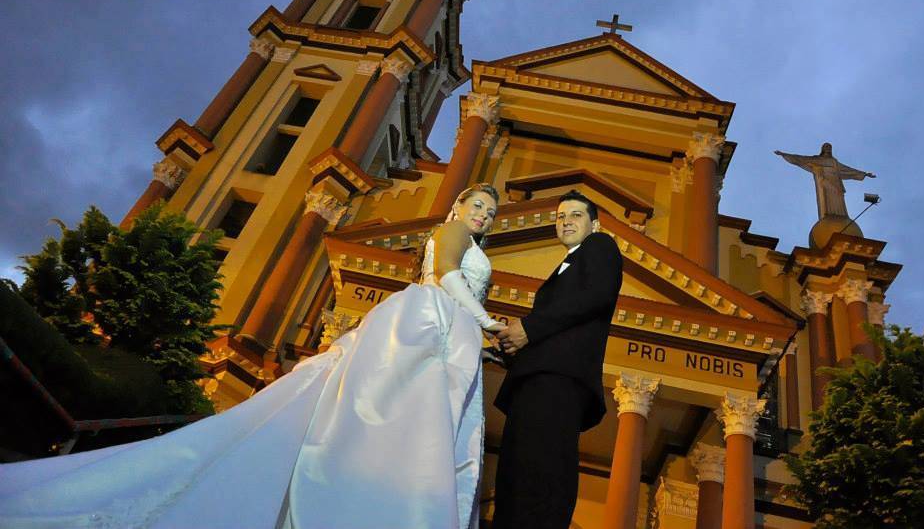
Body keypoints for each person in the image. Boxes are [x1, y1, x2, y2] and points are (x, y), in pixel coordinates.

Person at [0, 183, 506, 529]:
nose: (482, 215)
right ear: (458, 207)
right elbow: (447, 276)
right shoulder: (454, 233)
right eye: (477, 205)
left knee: (400, 421)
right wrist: (488, 321)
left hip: (441, 325)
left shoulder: (460, 234)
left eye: (491, 211)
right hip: (434, 321)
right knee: (402, 421)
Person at [492, 189, 624, 529]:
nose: (565, 221)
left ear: (594, 224)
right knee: (516, 473)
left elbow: (596, 296)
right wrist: (509, 349)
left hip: (558, 381)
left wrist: (529, 329)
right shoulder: (568, 264)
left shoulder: (600, 245)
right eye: (560, 217)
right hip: (539, 378)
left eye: (575, 215)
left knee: (540, 474)